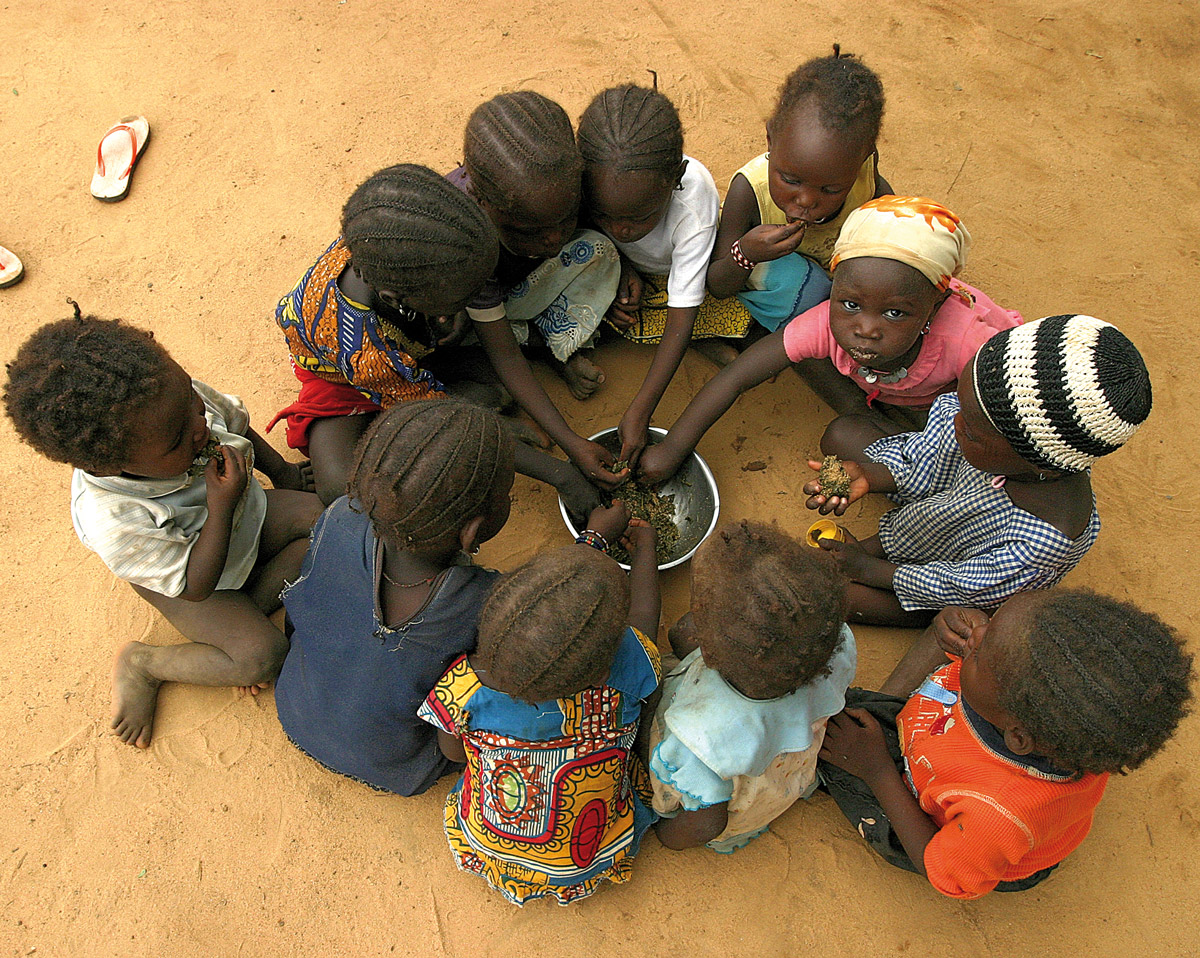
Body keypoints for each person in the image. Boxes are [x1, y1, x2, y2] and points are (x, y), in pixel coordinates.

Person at [3, 308, 323, 748]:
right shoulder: (114, 519)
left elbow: (236, 425)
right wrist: (220, 507)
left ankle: (244, 613)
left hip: (244, 516)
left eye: (192, 401)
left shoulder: (172, 405)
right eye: (177, 439)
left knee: (327, 520)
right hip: (192, 577)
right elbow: (196, 587)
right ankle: (146, 664)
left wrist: (283, 474)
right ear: (108, 465)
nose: (200, 426)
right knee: (262, 657)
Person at [817, 589, 1194, 899]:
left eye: (982, 652)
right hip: (957, 748)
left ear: (1017, 736)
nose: (978, 630)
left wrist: (878, 771)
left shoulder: (998, 815)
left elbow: (941, 869)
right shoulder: (1056, 716)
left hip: (951, 841)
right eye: (992, 623)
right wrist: (966, 636)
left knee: (832, 741)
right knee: (858, 715)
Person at [270, 163, 600, 516]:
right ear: (400, 299)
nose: (473, 302)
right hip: (345, 380)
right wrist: (562, 476)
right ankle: (411, 418)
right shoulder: (368, 351)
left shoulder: (402, 246)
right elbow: (444, 418)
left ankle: (440, 402)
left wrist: (454, 312)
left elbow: (495, 345)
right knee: (339, 486)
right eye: (461, 299)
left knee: (496, 386)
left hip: (411, 348)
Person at [639, 196, 1021, 482]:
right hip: (888, 397)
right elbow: (737, 377)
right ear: (834, 285)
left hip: (950, 412)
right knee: (840, 430)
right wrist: (673, 447)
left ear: (935, 306)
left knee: (967, 447)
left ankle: (927, 467)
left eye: (894, 313)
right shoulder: (826, 323)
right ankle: (905, 446)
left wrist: (947, 442)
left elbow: (1012, 411)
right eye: (851, 304)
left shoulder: (968, 342)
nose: (866, 329)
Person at [803, 314, 1152, 626]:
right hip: (942, 516)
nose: (954, 421)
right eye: (961, 403)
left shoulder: (1037, 547)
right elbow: (932, 457)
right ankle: (876, 548)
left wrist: (870, 570)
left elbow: (956, 586)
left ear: (1029, 458)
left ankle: (873, 562)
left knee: (831, 596)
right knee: (842, 434)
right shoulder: (1010, 449)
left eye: (970, 428)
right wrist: (871, 475)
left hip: (950, 586)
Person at [418, 516, 662, 905]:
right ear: (603, 668)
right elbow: (645, 621)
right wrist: (645, 548)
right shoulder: (625, 674)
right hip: (591, 854)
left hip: (489, 845)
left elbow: (454, 754)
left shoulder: (464, 685)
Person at [274, 400, 514, 795]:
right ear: (471, 533)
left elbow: (303, 614)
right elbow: (456, 741)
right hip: (400, 765)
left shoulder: (339, 519)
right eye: (506, 494)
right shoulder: (485, 603)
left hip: (295, 709)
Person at [453, 90, 627, 490]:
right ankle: (547, 348)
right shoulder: (467, 241)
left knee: (600, 250)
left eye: (565, 219)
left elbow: (585, 228)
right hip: (472, 314)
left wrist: (627, 266)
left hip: (514, 294)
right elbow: (503, 354)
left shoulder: (557, 187)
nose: (552, 240)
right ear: (483, 202)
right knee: (482, 360)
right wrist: (570, 441)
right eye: (529, 230)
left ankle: (547, 344)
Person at [649, 521, 857, 852]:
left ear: (709, 652)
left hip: (734, 804)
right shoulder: (833, 643)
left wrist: (665, 835)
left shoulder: (701, 739)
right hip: (784, 774)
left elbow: (705, 823)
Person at [577, 82, 751, 466]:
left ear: (676, 178)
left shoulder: (694, 206)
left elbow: (682, 314)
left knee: (735, 304)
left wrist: (641, 409)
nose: (621, 229)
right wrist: (618, 266)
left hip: (680, 278)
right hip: (618, 268)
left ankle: (697, 338)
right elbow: (584, 231)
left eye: (639, 217)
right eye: (606, 215)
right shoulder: (591, 181)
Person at [707, 48, 892, 339]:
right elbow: (717, 284)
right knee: (808, 291)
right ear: (770, 139)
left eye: (830, 189)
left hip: (841, 285)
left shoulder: (861, 167)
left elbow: (883, 200)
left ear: (864, 158)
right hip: (790, 292)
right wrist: (747, 253)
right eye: (790, 180)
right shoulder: (749, 191)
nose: (806, 200)